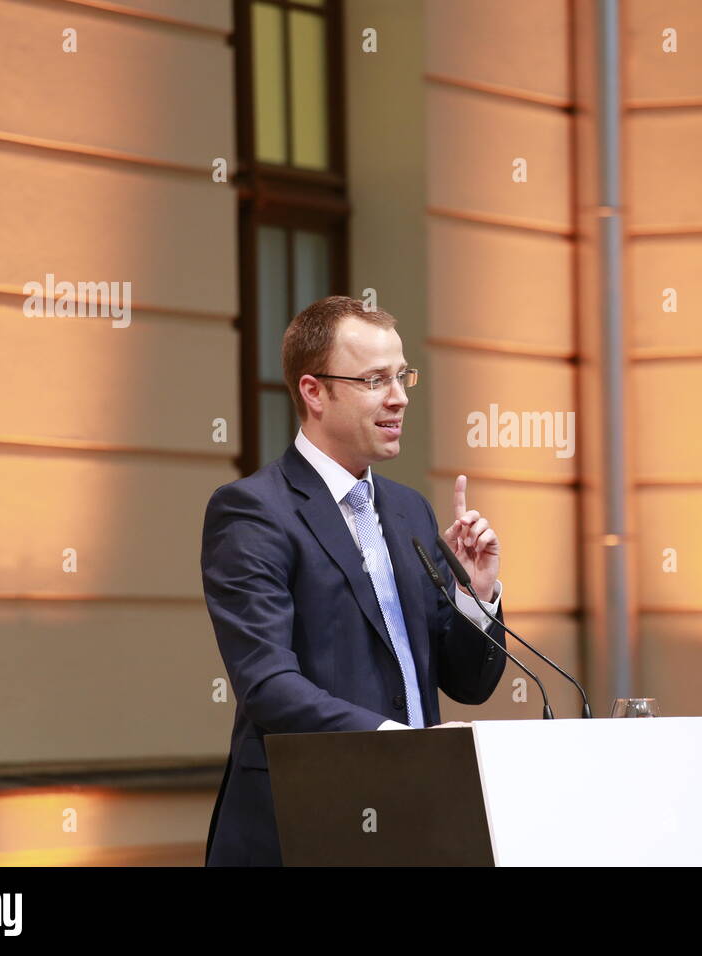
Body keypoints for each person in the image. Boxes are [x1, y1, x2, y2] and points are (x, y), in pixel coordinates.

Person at [201, 295, 507, 866]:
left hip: (417, 821)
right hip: (301, 828)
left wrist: (477, 596)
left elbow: (470, 684)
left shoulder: (410, 510)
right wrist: (400, 742)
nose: (399, 397)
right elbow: (269, 687)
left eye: (401, 376)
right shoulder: (252, 511)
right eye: (374, 380)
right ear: (314, 392)